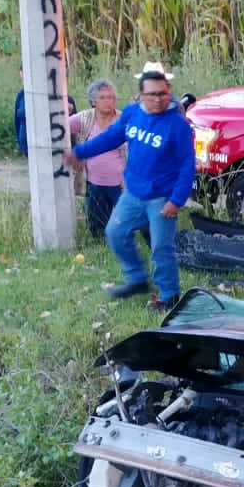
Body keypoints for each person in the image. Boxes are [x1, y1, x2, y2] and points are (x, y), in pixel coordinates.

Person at [65, 68, 195, 310]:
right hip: (133, 194)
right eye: (152, 94)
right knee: (115, 232)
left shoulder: (178, 125)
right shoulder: (132, 113)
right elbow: (110, 137)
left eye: (163, 93)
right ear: (141, 95)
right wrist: (80, 152)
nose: (158, 99)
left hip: (162, 197)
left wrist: (177, 200)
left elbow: (188, 165)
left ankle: (169, 296)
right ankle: (137, 279)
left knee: (161, 247)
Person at [69, 78, 125, 239]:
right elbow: (60, 126)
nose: (108, 101)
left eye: (111, 97)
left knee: (126, 221)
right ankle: (100, 246)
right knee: (97, 224)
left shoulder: (123, 120)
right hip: (94, 182)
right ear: (93, 101)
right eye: (103, 97)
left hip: (121, 183)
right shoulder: (85, 118)